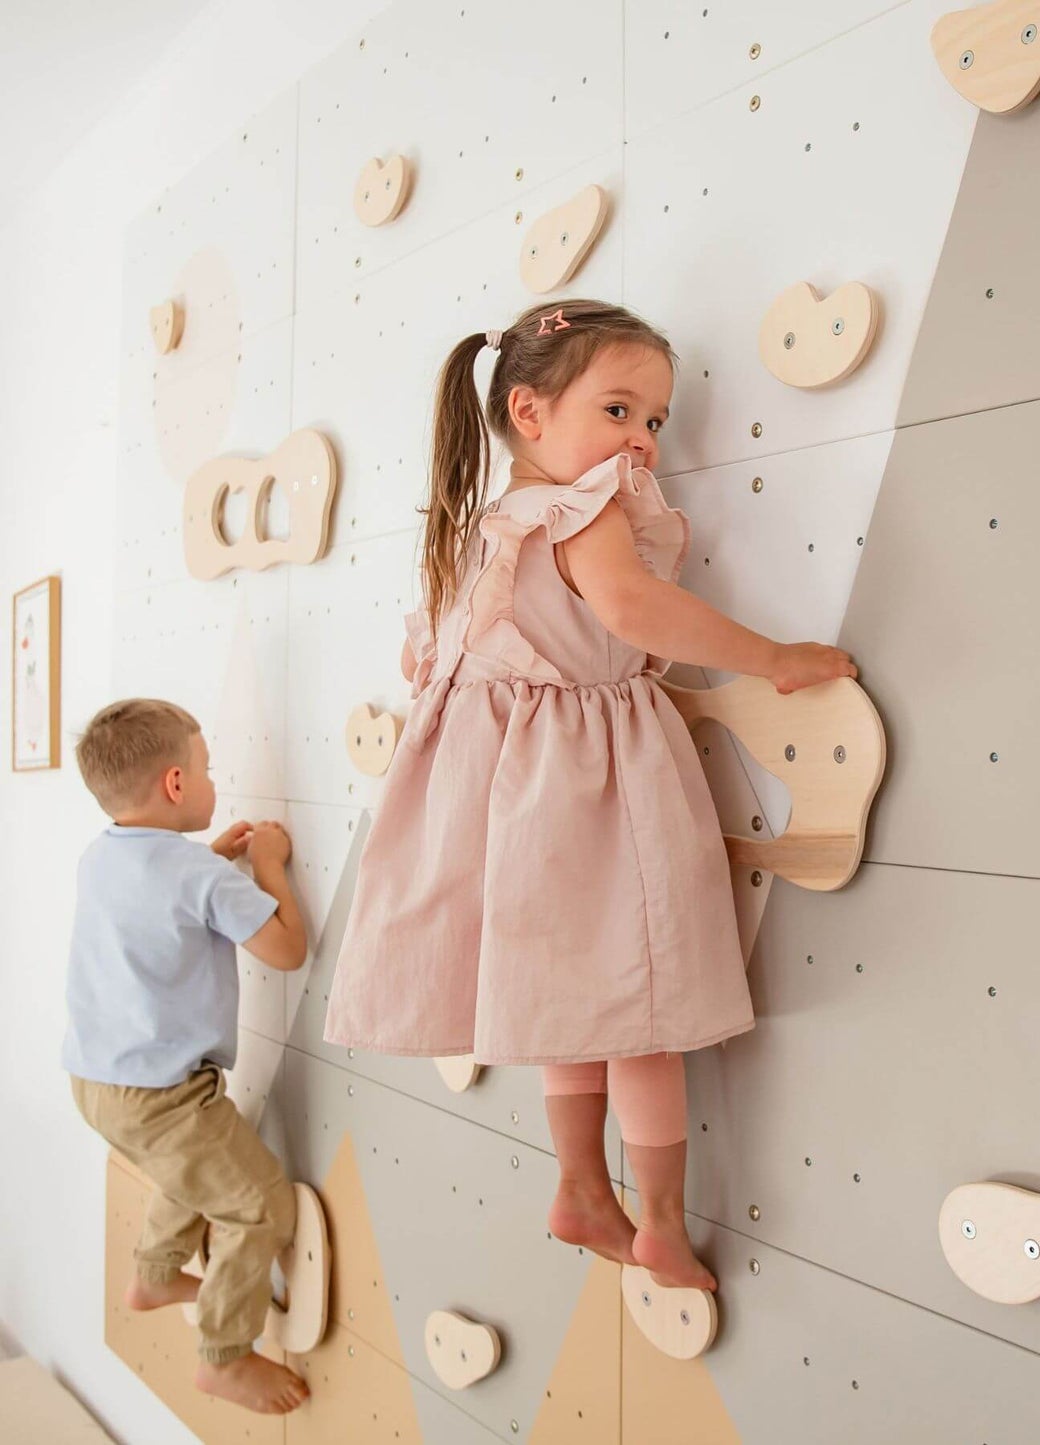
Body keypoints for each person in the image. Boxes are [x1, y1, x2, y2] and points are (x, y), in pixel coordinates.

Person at [324, 299, 856, 1292]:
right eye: (618, 411)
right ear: (529, 412)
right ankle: (655, 1217)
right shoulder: (583, 509)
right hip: (586, 779)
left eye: (654, 421)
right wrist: (771, 656)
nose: (640, 441)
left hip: (510, 796)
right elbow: (631, 606)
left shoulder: (476, 526)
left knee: (566, 1001)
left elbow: (427, 656)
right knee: (637, 1007)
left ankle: (578, 1182)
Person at [64, 699, 311, 1414]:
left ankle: (154, 1273)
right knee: (258, 1200)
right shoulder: (196, 877)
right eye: (206, 769)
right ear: (176, 784)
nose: (211, 781)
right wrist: (266, 866)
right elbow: (288, 949)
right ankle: (224, 1356)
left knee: (198, 1161)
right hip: (161, 1093)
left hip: (97, 1082)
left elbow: (156, 898)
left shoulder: (102, 853)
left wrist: (210, 861)